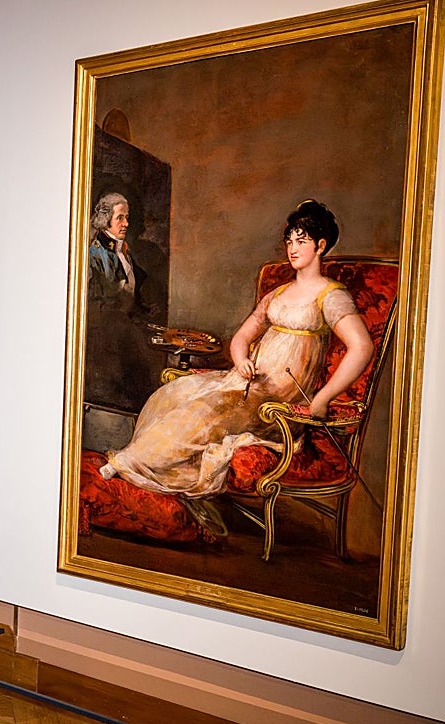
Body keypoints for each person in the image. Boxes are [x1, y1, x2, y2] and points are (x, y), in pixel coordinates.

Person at [99, 200, 373, 515]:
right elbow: (243, 336)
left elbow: (362, 347)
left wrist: (322, 399)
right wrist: (241, 360)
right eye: (289, 241)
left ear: (320, 246)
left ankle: (128, 462)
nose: (292, 249)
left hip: (278, 399)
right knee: (176, 393)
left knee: (204, 411)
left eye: (301, 241)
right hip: (247, 384)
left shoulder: (330, 296)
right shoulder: (278, 294)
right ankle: (141, 466)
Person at [86, 191, 164, 411]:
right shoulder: (95, 254)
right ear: (105, 220)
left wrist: (142, 309)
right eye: (120, 217)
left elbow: (130, 289)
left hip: (124, 325)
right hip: (105, 333)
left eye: (127, 217)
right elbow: (97, 301)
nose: (126, 223)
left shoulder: (123, 250)